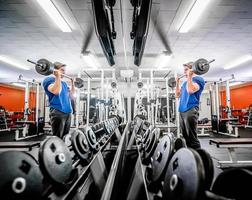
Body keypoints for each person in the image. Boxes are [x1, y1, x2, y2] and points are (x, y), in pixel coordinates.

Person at [175, 61, 205, 149]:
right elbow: (177, 95)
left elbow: (191, 90)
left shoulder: (199, 79)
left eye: (186, 70)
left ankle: (199, 158)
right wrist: (177, 82)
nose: (184, 72)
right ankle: (191, 155)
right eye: (184, 70)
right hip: (182, 110)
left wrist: (190, 76)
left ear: (193, 70)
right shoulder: (185, 83)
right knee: (185, 136)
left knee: (192, 137)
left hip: (191, 109)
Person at [42, 62, 75, 139]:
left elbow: (72, 95)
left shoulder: (64, 83)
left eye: (65, 71)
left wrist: (73, 83)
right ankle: (56, 151)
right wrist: (58, 77)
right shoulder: (48, 80)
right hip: (58, 111)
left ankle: (62, 151)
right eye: (62, 70)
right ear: (55, 70)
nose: (64, 72)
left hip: (68, 112)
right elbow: (56, 91)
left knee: (65, 137)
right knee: (57, 138)